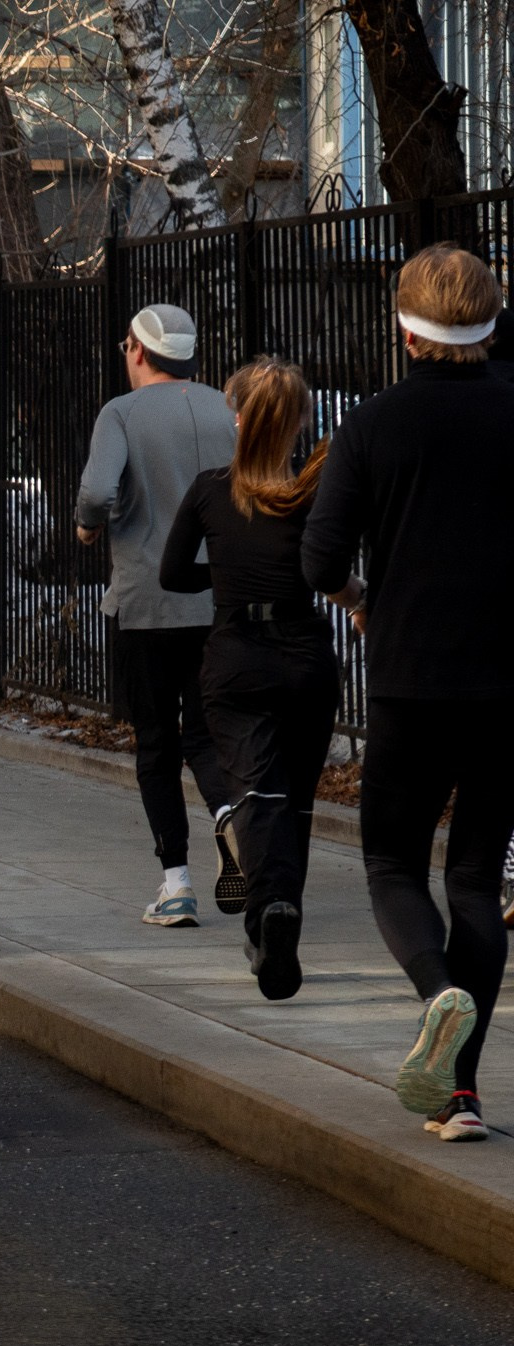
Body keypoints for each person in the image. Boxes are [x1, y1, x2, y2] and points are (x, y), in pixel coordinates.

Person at [303, 245, 514, 1143]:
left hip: (408, 678)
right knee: (473, 873)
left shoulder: (374, 424)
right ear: (492, 319)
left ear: (404, 325)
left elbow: (318, 561)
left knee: (393, 863)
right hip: (508, 684)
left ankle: (439, 993)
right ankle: (461, 1096)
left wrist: (361, 602)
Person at [159, 358, 349, 1001]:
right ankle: (278, 915)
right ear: (297, 424)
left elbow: (171, 574)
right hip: (304, 654)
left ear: (236, 417)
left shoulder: (212, 490)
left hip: (237, 651)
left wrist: (228, 580)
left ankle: (271, 910)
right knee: (294, 794)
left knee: (254, 790)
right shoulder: (316, 491)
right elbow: (329, 564)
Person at [75, 303, 239, 927]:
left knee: (156, 743)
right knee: (206, 732)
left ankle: (177, 884)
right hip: (219, 597)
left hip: (147, 600)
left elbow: (95, 491)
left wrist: (91, 527)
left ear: (138, 352)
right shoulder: (228, 408)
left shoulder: (120, 412)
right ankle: (230, 817)